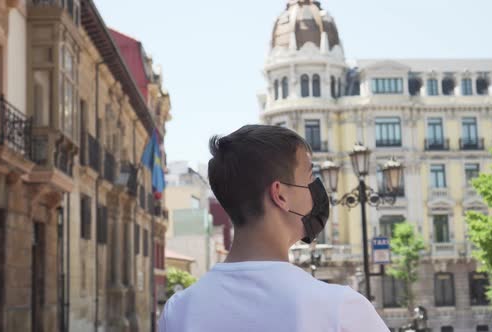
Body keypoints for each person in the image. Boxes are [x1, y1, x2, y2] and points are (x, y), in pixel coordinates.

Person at [158, 125, 389, 332]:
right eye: (310, 177)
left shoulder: (178, 312)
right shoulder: (342, 310)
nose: (317, 190)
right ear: (280, 194)